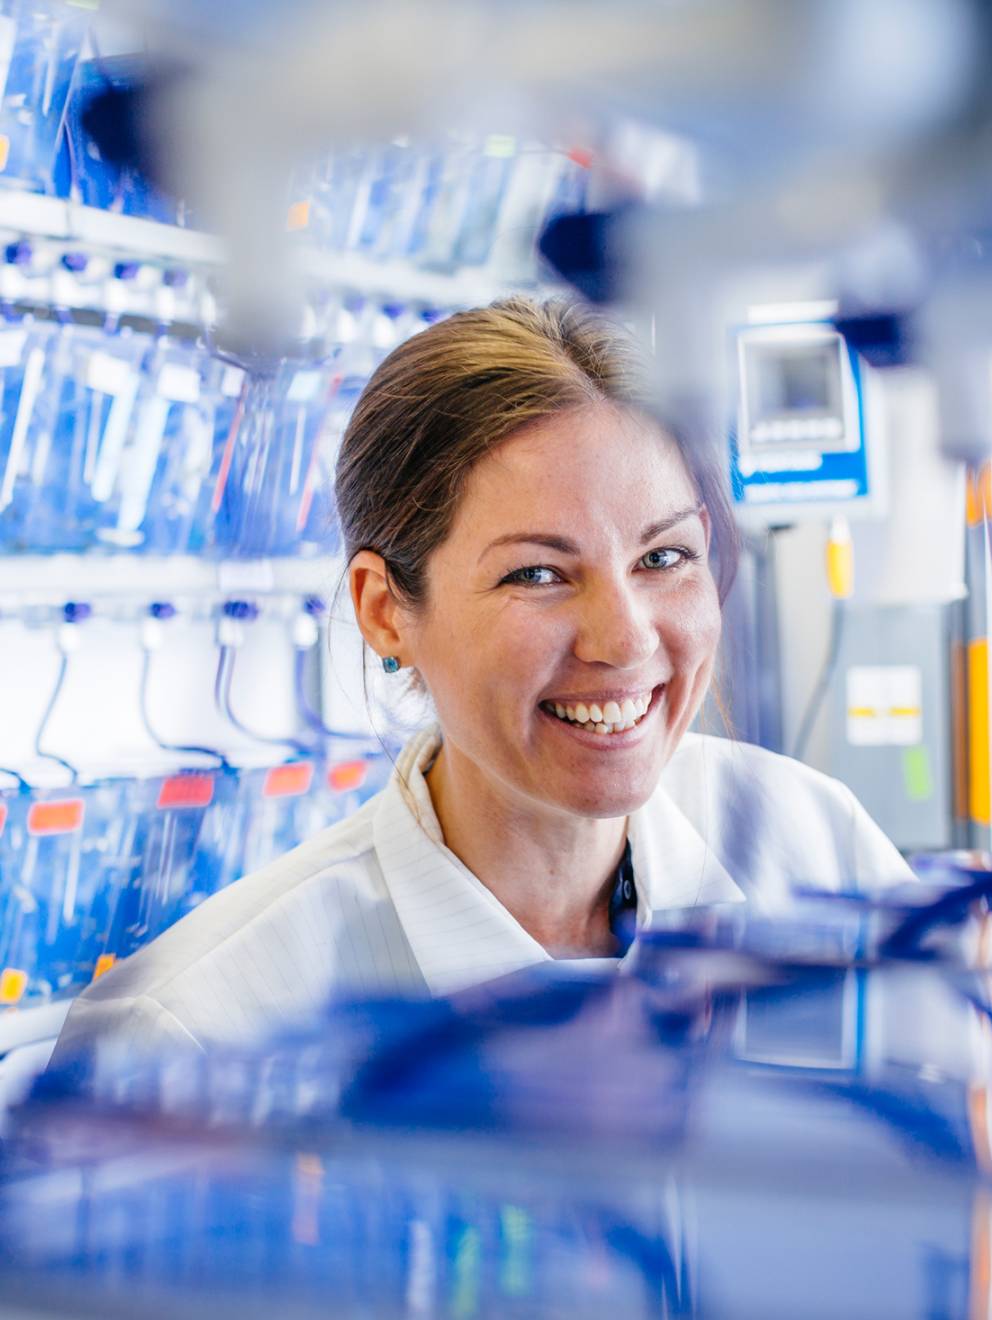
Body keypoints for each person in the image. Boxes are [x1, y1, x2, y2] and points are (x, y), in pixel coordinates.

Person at [52, 297, 911, 1061]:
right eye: (537, 574)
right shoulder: (192, 1034)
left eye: (665, 556)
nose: (623, 639)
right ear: (385, 611)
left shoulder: (812, 851)